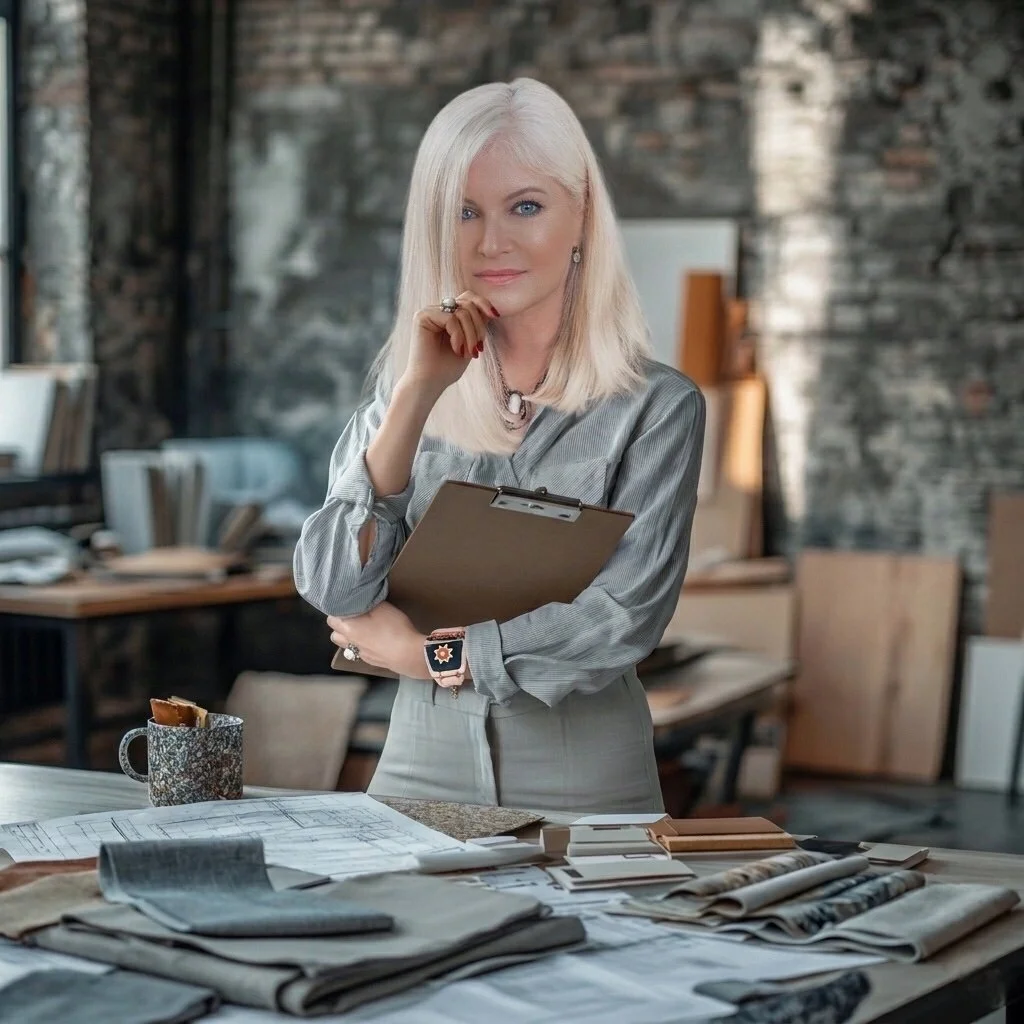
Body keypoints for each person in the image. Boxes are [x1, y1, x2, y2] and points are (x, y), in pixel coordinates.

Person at [293, 78, 706, 813]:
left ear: (582, 217)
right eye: (464, 212)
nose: (491, 242)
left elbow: (622, 617)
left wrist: (430, 656)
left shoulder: (656, 408)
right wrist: (418, 393)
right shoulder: (403, 395)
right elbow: (334, 587)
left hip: (585, 766)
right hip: (419, 757)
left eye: (525, 206)